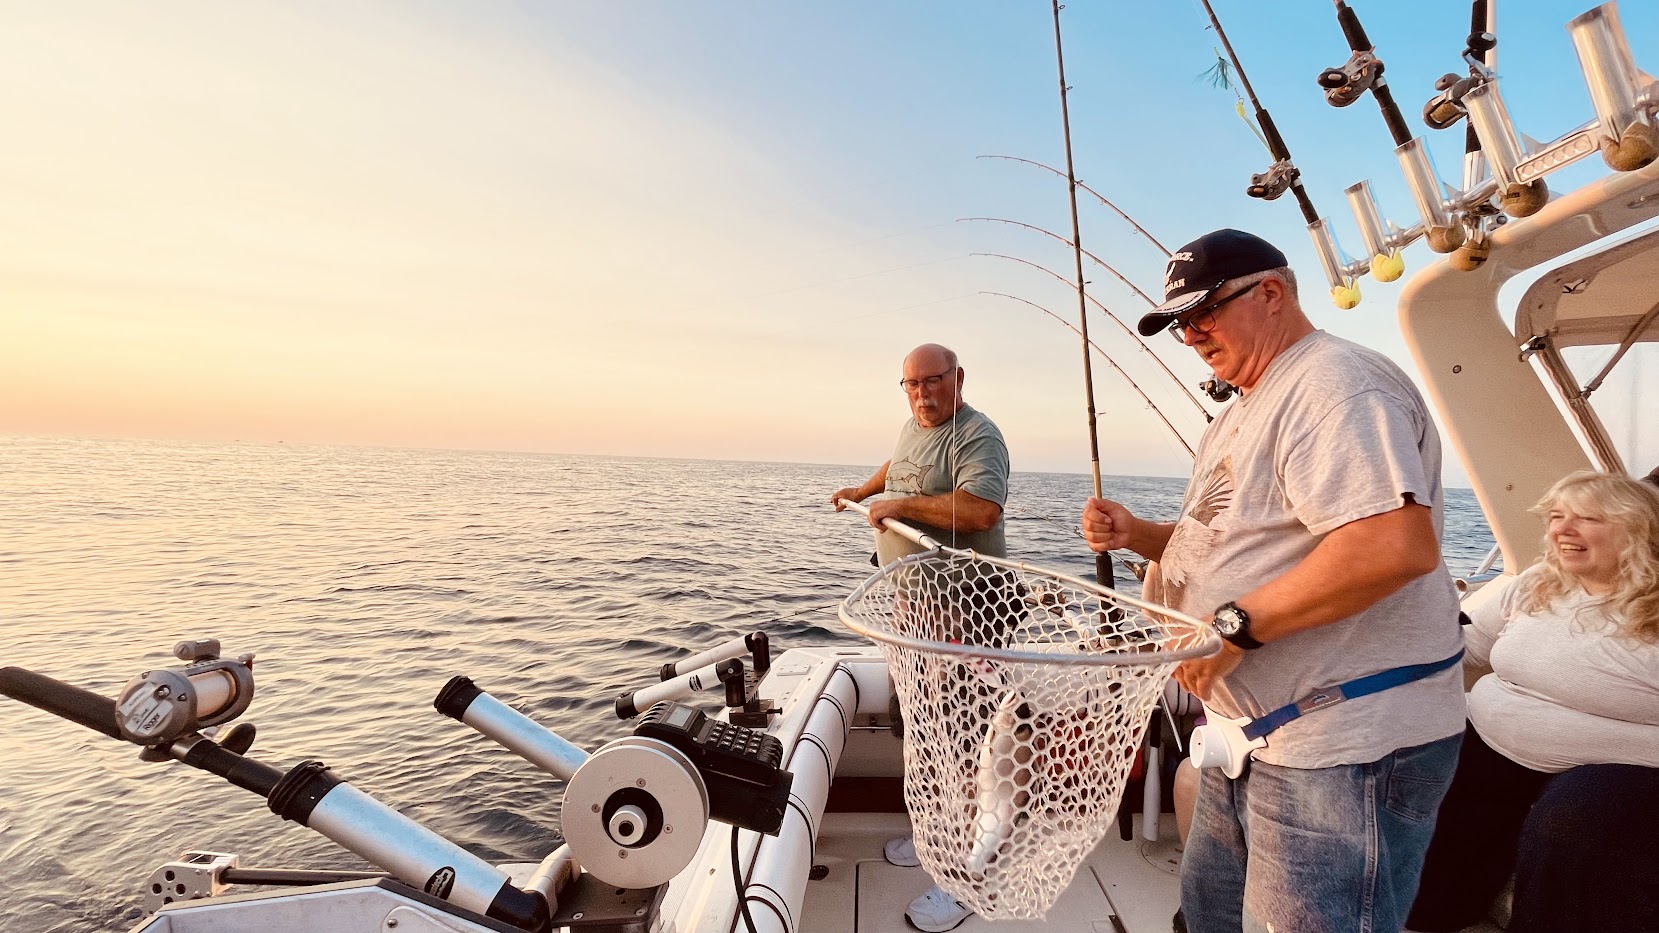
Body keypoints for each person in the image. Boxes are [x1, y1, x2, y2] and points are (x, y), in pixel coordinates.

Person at [1081, 229, 1465, 933]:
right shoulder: (1237, 411)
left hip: (1341, 749)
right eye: (1178, 325)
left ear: (1271, 292)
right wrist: (1140, 535)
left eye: (1205, 312)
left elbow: (1391, 544)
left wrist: (1235, 627)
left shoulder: (1332, 383)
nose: (1192, 335)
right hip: (1253, 737)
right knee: (1209, 917)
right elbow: (1238, 544)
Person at [1406, 471, 1659, 933]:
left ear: (1639, 530)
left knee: (1580, 814)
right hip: (1491, 738)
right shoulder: (1540, 581)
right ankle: (1425, 915)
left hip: (1622, 773)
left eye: (1587, 518)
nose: (1563, 529)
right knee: (1417, 753)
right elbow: (1464, 643)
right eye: (1557, 516)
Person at [831, 342, 1009, 933]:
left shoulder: (978, 435)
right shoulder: (914, 426)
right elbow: (898, 466)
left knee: (963, 743)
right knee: (926, 734)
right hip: (917, 618)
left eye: (932, 382)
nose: (921, 394)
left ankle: (967, 880)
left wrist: (899, 504)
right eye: (910, 384)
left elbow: (981, 510)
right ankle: (938, 839)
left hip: (969, 617)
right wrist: (865, 492)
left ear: (958, 377)